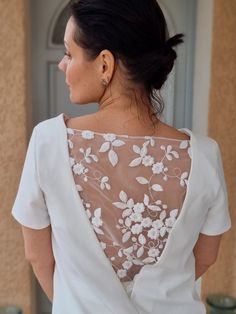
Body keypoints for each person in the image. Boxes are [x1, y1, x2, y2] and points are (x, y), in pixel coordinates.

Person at [11, 1, 231, 313]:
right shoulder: (205, 155)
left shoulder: (47, 143)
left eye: (69, 53)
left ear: (104, 64)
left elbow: (38, 258)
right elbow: (206, 257)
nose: (62, 64)